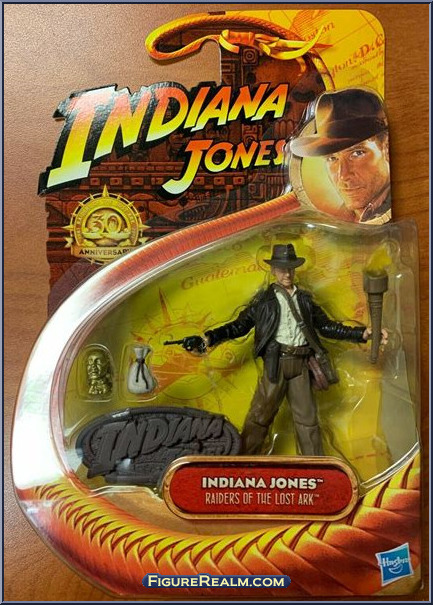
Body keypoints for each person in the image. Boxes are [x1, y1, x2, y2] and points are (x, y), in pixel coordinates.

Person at [181, 244, 386, 456]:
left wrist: (362, 334)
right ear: (273, 270)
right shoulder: (263, 302)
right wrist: (208, 339)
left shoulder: (305, 300)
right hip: (275, 364)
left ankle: (316, 465)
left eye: (290, 269)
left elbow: (327, 327)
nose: (287, 274)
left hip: (301, 365)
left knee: (307, 420)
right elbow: (239, 326)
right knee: (260, 416)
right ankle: (243, 459)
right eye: (282, 269)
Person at [290, 89, 391, 224]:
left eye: (357, 153)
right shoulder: (341, 218)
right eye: (332, 158)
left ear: (386, 148)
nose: (343, 175)